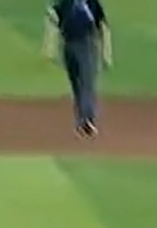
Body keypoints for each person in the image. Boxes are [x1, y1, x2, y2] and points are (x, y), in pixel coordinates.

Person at [42, 0, 111, 136]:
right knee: (76, 85)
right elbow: (53, 16)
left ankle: (87, 119)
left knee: (87, 83)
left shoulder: (91, 3)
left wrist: (106, 52)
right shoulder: (66, 3)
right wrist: (50, 47)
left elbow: (102, 25)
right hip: (68, 44)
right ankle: (81, 120)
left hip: (88, 45)